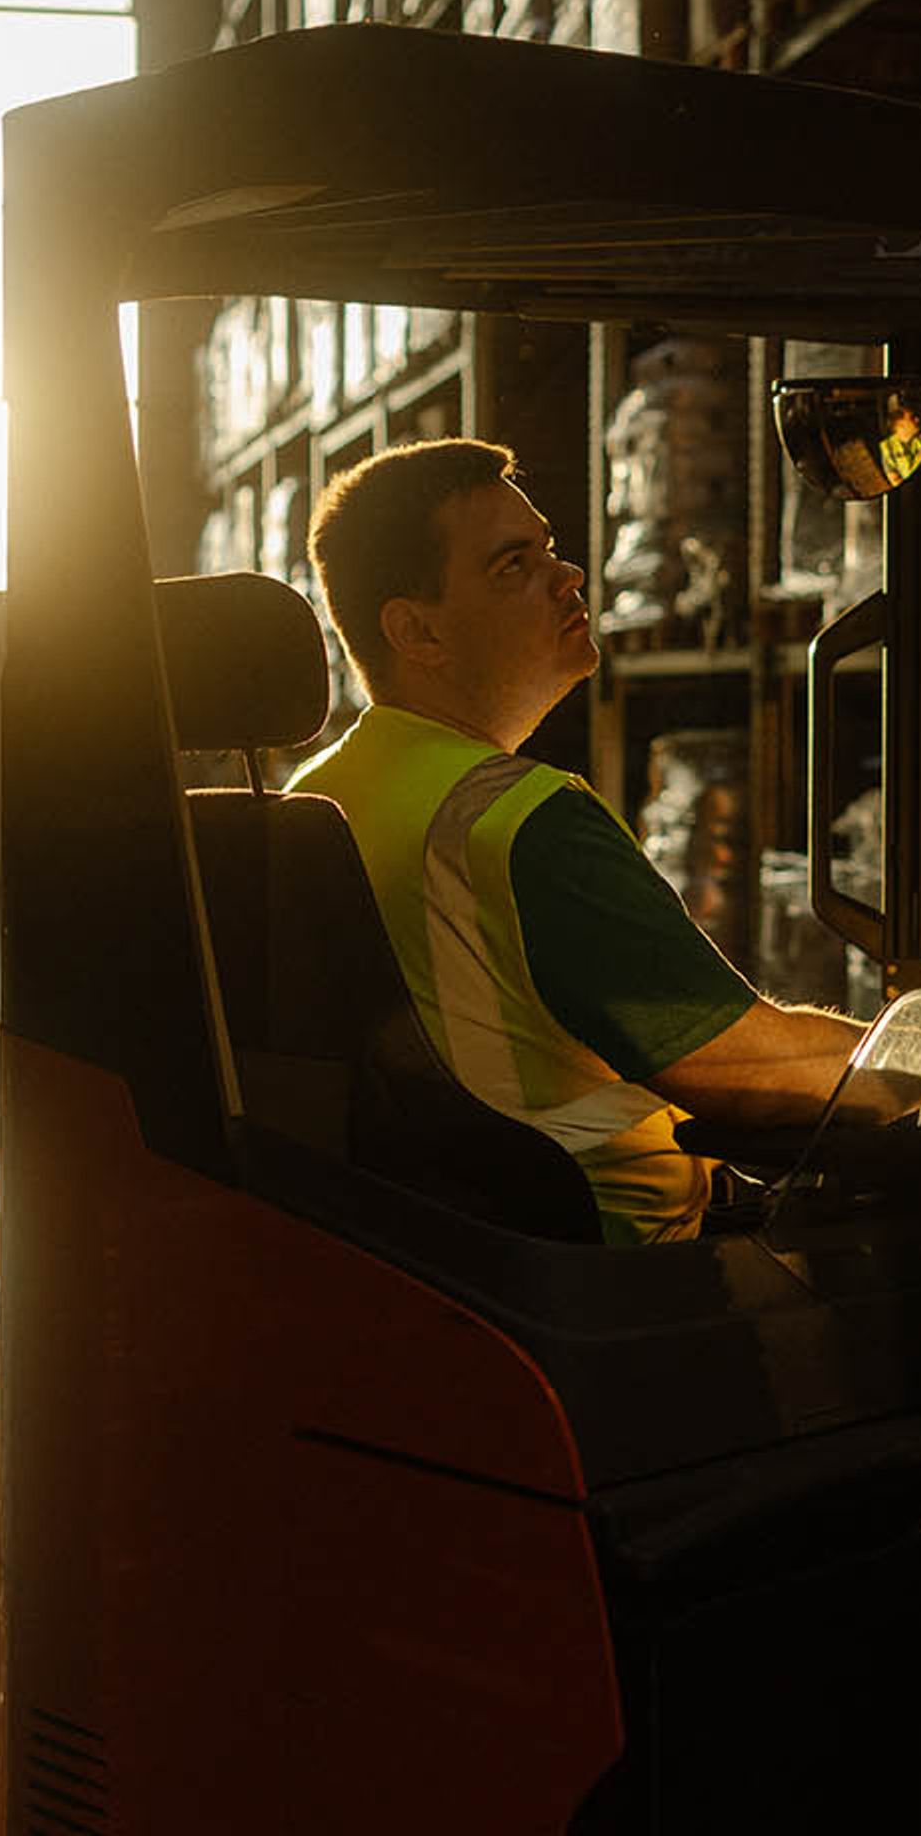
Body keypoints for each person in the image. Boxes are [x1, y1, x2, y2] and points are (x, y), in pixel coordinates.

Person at [292, 437, 867, 1244]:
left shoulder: (314, 794)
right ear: (417, 631)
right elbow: (742, 1067)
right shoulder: (518, 821)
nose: (569, 578)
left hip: (437, 1251)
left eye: (551, 551)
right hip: (615, 1268)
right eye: (512, 566)